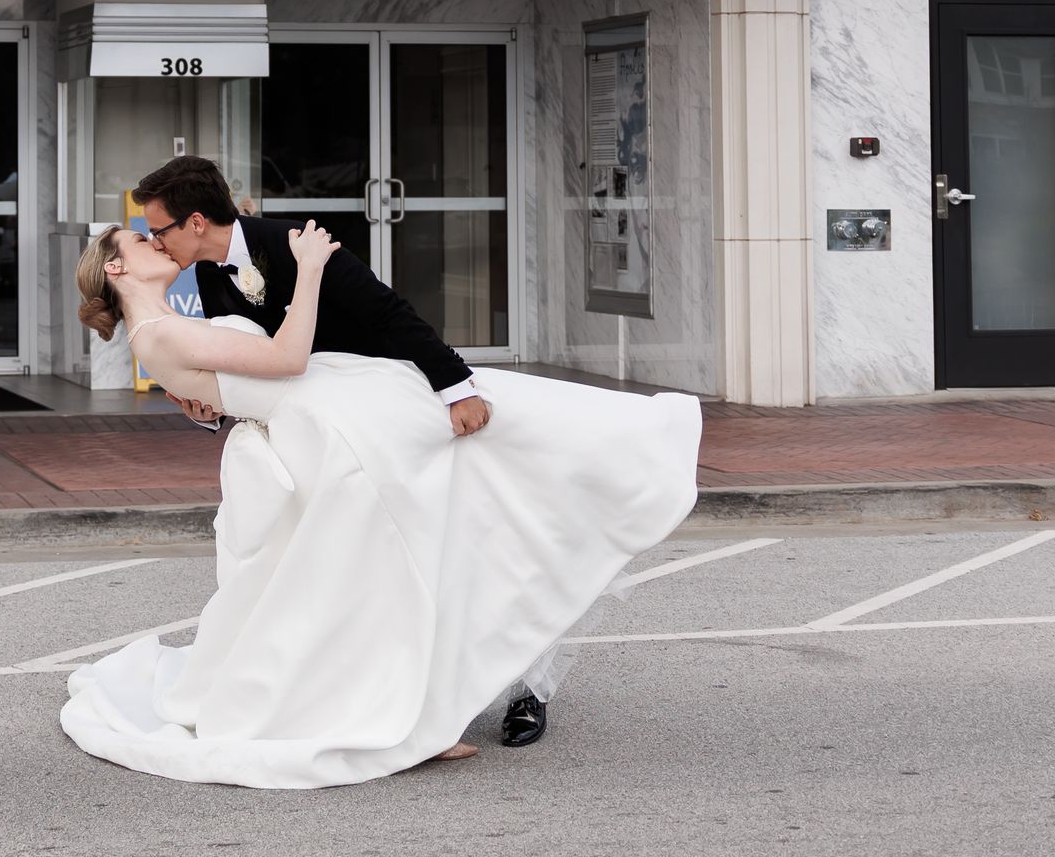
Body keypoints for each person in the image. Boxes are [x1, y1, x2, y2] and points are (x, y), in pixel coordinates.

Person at [60, 202, 702, 792]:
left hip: (342, 410)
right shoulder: (160, 331)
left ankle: (456, 683)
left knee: (414, 547)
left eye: (158, 229)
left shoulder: (173, 314)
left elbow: (219, 382)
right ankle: (411, 711)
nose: (156, 242)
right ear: (117, 266)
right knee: (393, 572)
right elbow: (283, 358)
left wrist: (205, 398)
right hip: (335, 435)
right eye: (141, 239)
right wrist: (309, 269)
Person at [136, 155, 561, 749]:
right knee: (377, 569)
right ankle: (392, 696)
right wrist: (210, 409)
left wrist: (455, 387)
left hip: (387, 407)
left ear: (197, 221)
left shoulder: (295, 244)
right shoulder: (209, 272)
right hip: (322, 435)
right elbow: (243, 361)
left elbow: (386, 311)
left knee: (469, 540)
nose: (156, 243)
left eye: (160, 230)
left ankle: (528, 687)